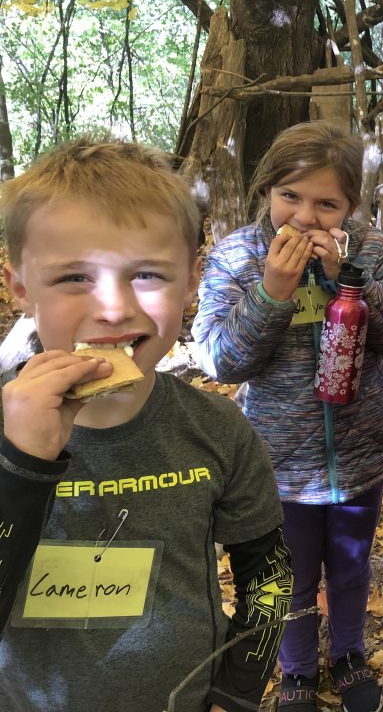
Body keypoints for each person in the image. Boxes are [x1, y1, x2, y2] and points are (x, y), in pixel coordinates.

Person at [0, 139, 292, 712]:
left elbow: (270, 573)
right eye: (73, 278)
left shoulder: (219, 429)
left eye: (148, 274)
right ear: (20, 289)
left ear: (190, 283)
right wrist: (21, 467)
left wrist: (236, 692)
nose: (112, 308)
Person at [192, 121, 383, 712]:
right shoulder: (239, 254)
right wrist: (271, 291)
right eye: (291, 196)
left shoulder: (373, 250)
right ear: (268, 189)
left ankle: (346, 654)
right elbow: (219, 358)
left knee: (349, 565)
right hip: (277, 461)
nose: (306, 216)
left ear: (351, 205)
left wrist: (352, 281)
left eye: (327, 204)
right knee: (289, 576)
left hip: (360, 453)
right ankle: (294, 669)